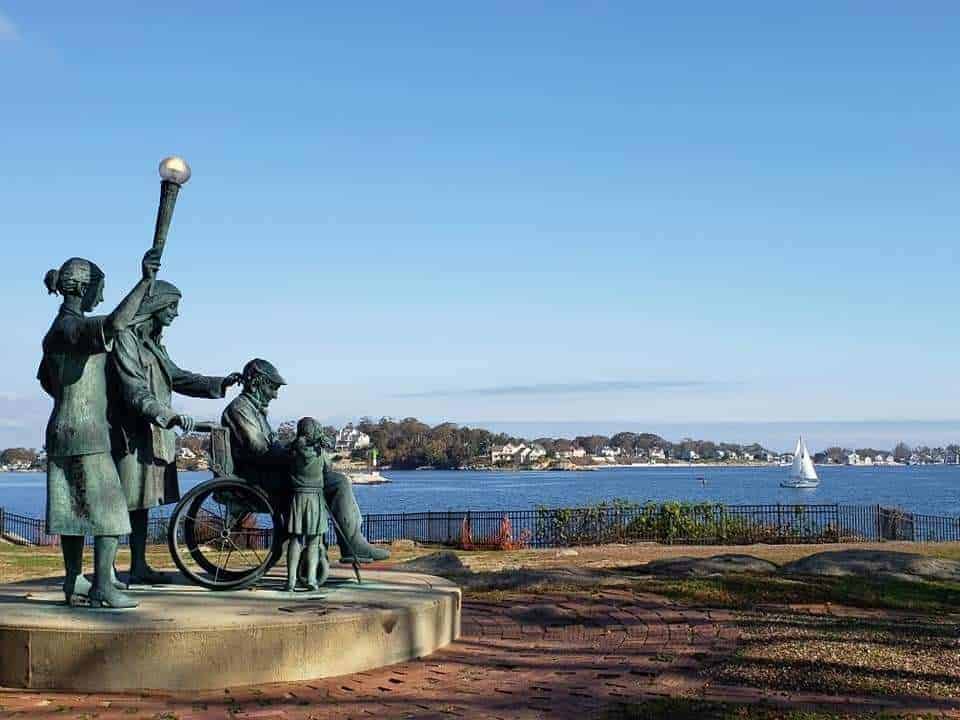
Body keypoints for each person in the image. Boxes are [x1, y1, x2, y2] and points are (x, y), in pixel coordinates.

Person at [38, 250, 160, 608]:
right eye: (99, 289)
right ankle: (102, 587)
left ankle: (75, 580)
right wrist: (144, 282)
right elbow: (115, 324)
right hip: (86, 433)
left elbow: (47, 381)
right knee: (111, 513)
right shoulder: (71, 327)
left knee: (72, 512)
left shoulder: (56, 332)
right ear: (82, 288)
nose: (102, 297)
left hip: (62, 429)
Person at [109, 280, 242, 584]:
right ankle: (108, 571)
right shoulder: (125, 340)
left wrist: (220, 383)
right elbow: (134, 391)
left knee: (142, 505)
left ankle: (139, 565)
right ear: (154, 307)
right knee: (121, 505)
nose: (176, 314)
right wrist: (170, 416)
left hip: (153, 437)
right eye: (172, 306)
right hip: (130, 437)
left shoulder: (154, 346)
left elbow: (178, 378)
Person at [222, 359, 390, 564]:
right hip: (258, 480)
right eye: (272, 387)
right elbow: (259, 450)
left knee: (333, 477)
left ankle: (345, 543)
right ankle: (350, 544)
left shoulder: (252, 410)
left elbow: (268, 448)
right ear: (257, 382)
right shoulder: (240, 409)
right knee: (338, 483)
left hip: (265, 473)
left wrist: (298, 448)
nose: (274, 394)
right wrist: (296, 453)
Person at [285, 417, 330, 592]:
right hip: (315, 498)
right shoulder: (320, 453)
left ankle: (291, 580)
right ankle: (311, 578)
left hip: (297, 498)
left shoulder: (293, 452)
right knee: (313, 541)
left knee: (295, 540)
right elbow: (329, 468)